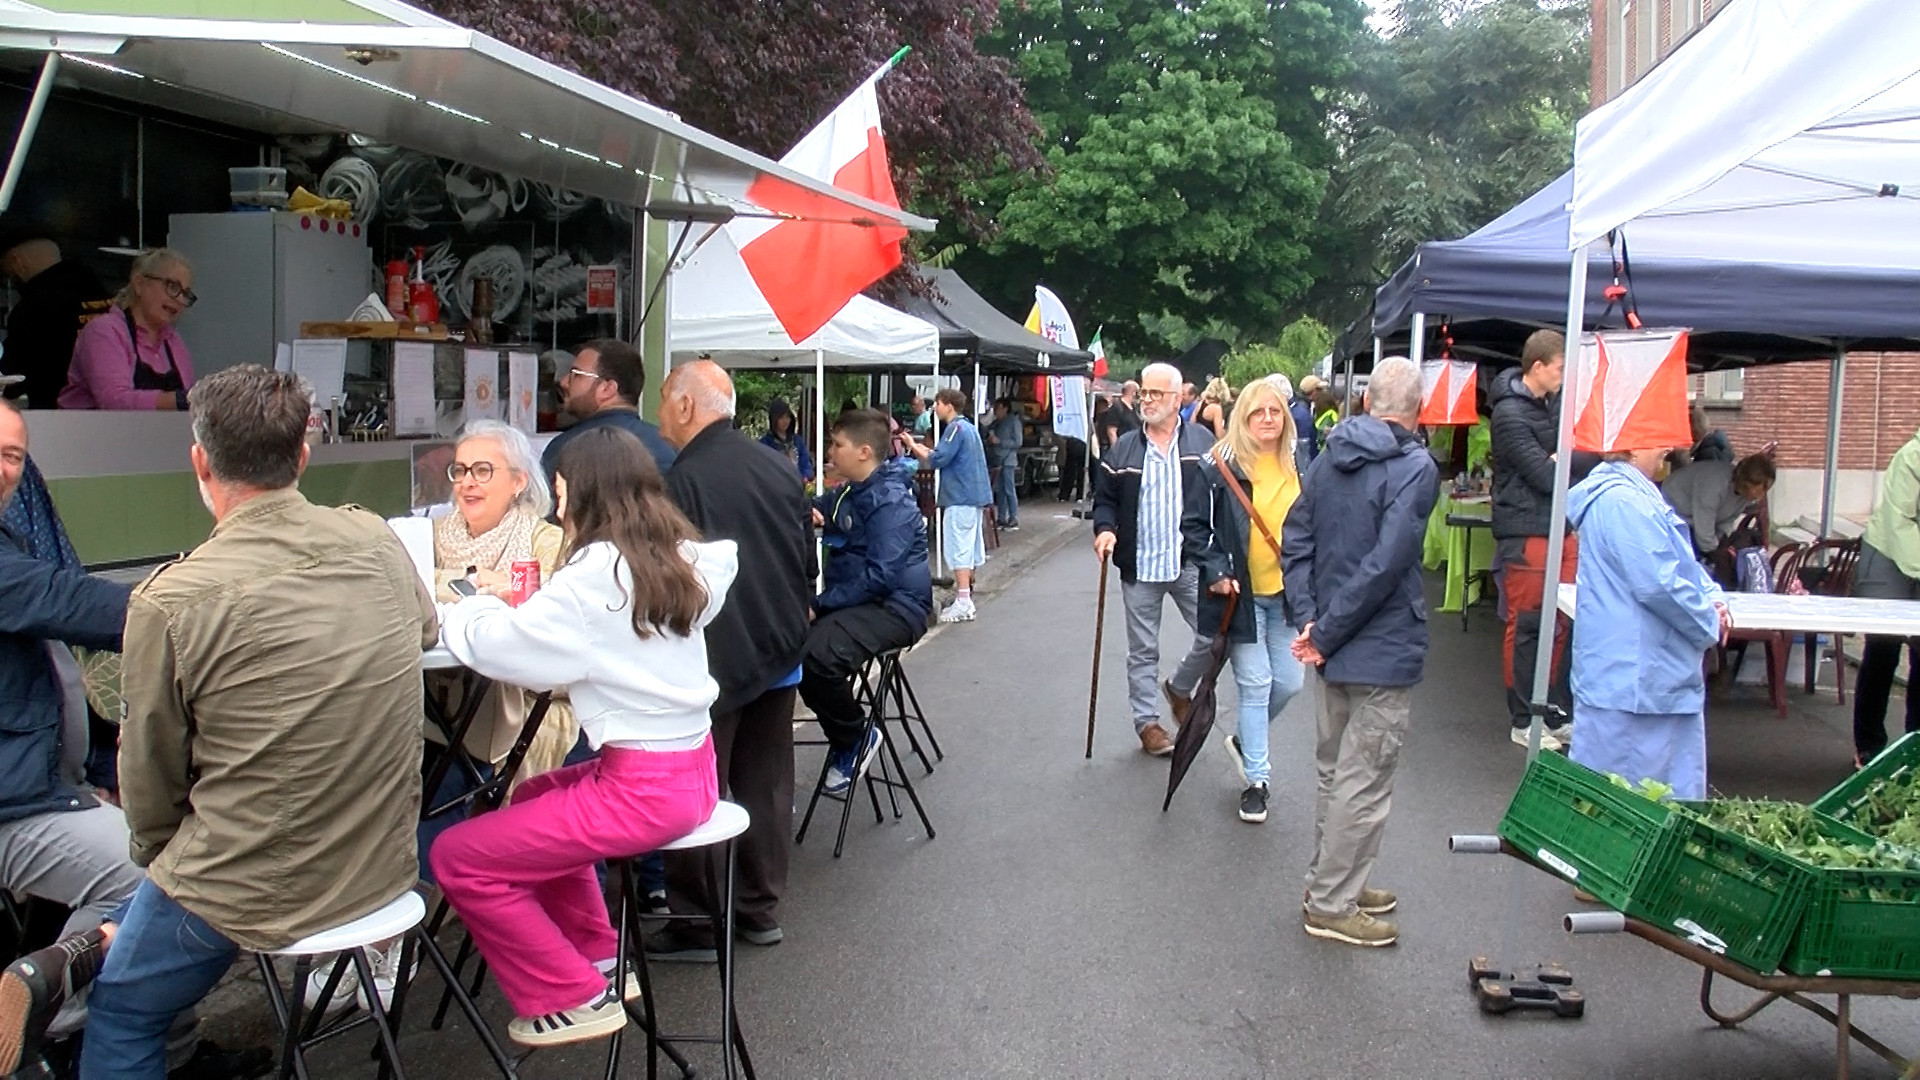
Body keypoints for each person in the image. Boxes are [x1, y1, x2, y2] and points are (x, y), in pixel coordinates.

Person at [76, 365, 437, 1076]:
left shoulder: (170, 600)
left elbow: (148, 779)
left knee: (120, 1008)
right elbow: (425, 630)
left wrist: (160, 863)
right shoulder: (376, 543)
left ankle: (113, 961)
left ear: (200, 463)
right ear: (303, 456)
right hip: (381, 866)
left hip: (248, 886)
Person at [433, 426, 734, 1047]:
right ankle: (597, 957)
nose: (558, 508)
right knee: (531, 796)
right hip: (692, 770)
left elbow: (503, 650)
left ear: (587, 495)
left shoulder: (593, 576)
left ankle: (569, 996)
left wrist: (467, 607)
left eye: (563, 494)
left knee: (457, 857)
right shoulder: (672, 555)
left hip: (642, 789)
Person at [652, 361, 812, 958]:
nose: (661, 410)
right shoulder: (776, 463)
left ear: (688, 406)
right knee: (766, 782)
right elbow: (804, 553)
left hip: (714, 658)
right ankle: (759, 907)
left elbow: (674, 577)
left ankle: (696, 919)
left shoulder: (682, 479)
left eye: (666, 398)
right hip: (780, 643)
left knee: (698, 784)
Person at [1282, 357, 1437, 948]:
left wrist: (1311, 619)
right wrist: (1324, 629)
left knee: (1336, 773)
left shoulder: (1326, 458)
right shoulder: (1415, 467)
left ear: (1368, 401)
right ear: (1416, 410)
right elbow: (1388, 564)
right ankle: (1331, 900)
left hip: (1333, 642)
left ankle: (1332, 880)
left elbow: (1298, 539)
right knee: (1363, 780)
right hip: (1376, 644)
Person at [422, 421, 578, 863]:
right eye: (460, 470)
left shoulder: (546, 541)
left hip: (524, 700)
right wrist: (470, 582)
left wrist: (497, 588)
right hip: (437, 696)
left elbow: (556, 614)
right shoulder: (429, 537)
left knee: (448, 769)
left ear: (518, 481)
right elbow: (409, 581)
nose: (468, 481)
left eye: (483, 470)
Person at [1566, 443, 1730, 800]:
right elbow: (1659, 583)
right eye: (1658, 441)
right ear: (1633, 445)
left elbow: (1674, 567)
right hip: (1638, 676)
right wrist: (1708, 619)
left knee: (1618, 798)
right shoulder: (1625, 503)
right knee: (1634, 803)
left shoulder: (1628, 497)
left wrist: (1712, 597)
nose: (1668, 450)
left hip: (1632, 673)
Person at [1184, 377, 1305, 823]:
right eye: (1259, 412)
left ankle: (1241, 739)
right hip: (1242, 595)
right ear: (1243, 419)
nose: (1268, 419)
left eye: (1275, 412)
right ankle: (1257, 781)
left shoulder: (1302, 464)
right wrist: (1216, 571)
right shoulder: (1219, 467)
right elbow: (1194, 526)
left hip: (1288, 594)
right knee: (1255, 685)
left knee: (1289, 683)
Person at [802, 409, 932, 795]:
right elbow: (822, 510)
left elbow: (880, 578)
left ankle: (855, 738)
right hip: (862, 602)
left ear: (862, 452)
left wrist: (821, 604)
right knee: (791, 640)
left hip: (897, 607)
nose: (830, 452)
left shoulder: (890, 500)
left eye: (836, 444)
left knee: (816, 657)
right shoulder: (849, 490)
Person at [1091, 362, 1217, 757]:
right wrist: (1105, 529)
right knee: (1142, 650)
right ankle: (1147, 723)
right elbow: (1105, 501)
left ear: (1178, 399)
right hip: (1140, 564)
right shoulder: (1123, 448)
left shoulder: (1203, 444)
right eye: (1144, 392)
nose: (1147, 400)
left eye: (1156, 394)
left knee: (1213, 638)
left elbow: (1220, 501)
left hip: (1190, 562)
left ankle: (1179, 687)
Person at [1489, 330, 1596, 750]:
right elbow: (1550, 475)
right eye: (1559, 368)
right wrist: (1564, 456)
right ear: (1538, 367)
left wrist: (1564, 455)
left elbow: (1569, 458)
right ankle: (1523, 716)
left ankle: (1547, 708)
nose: (1564, 376)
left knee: (1560, 623)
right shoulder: (1511, 415)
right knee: (1531, 622)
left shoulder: (1545, 405)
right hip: (1527, 530)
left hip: (1556, 527)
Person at [1852, 427, 1920, 765]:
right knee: (1882, 648)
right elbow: (1899, 523)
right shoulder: (1911, 457)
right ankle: (1869, 746)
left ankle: (1915, 744)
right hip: (1887, 554)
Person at [58, 249, 195, 412]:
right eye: (172, 286)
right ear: (139, 283)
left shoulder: (174, 342)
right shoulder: (104, 331)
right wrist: (179, 399)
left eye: (185, 294)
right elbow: (114, 401)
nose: (179, 299)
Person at [540, 338, 676, 487]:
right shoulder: (667, 446)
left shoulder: (564, 448)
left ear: (607, 389)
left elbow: (544, 506)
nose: (564, 381)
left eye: (576, 374)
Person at [907, 389, 991, 623]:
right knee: (970, 546)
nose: (935, 407)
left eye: (938, 403)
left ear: (949, 406)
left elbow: (937, 459)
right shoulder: (970, 428)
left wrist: (912, 446)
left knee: (960, 547)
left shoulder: (955, 429)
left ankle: (963, 600)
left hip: (959, 496)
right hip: (973, 496)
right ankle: (966, 596)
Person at [1, 237, 108, 409]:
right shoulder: (103, 294)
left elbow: (12, 379)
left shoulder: (32, 308)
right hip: (114, 413)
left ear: (16, 261)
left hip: (57, 417)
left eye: (7, 273)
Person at [1661, 451, 1775, 561]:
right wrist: (1714, 552)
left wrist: (1722, 543)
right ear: (1749, 481)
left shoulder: (1744, 496)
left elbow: (1727, 521)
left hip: (1694, 521)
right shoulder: (1715, 482)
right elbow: (1704, 524)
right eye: (1762, 488)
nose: (1762, 495)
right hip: (1670, 509)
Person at [985, 397, 1024, 531]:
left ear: (1005, 408)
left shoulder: (1014, 421)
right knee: (1000, 490)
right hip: (997, 459)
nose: (996, 411)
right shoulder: (996, 423)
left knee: (1009, 489)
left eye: (999, 408)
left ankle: (1013, 516)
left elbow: (1018, 442)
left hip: (1008, 460)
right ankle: (1001, 517)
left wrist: (1000, 441)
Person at [759, 397, 814, 482]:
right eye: (781, 418)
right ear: (774, 420)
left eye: (787, 417)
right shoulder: (765, 444)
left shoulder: (797, 441)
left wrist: (802, 478)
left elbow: (807, 466)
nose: (785, 421)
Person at [1293, 375, 1324, 466]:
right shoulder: (1303, 412)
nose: (1323, 392)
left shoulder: (1306, 407)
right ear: (1314, 391)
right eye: (1320, 390)